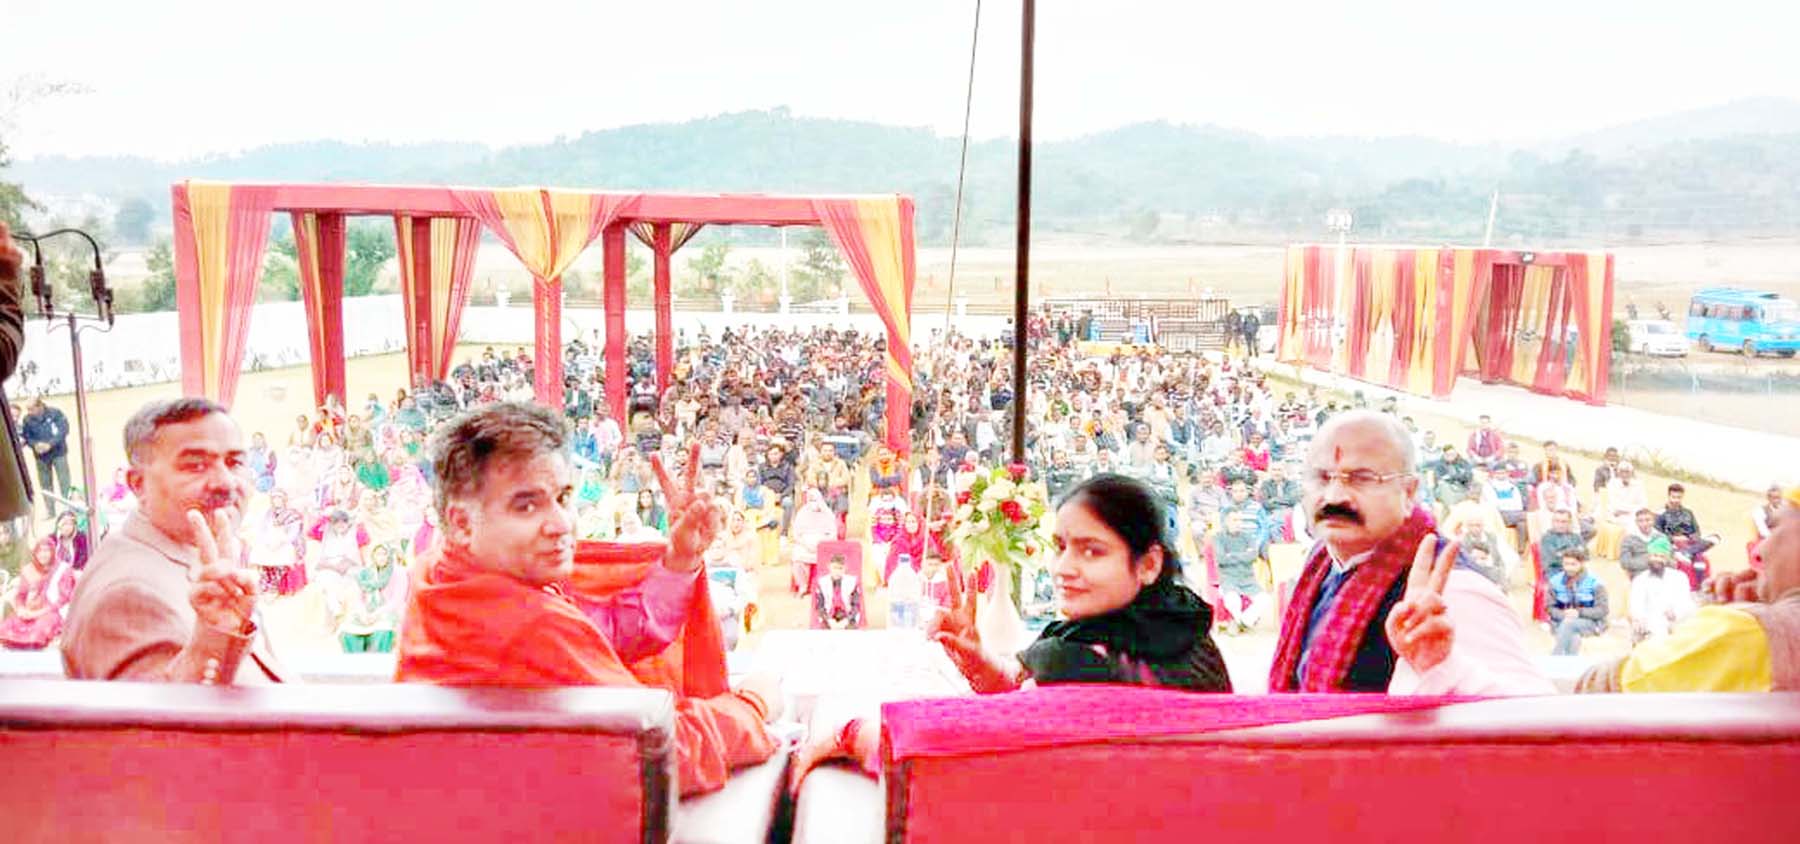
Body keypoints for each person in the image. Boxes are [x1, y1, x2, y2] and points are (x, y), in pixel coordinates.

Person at [393, 403, 780, 796]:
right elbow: (664, 748)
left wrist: (680, 560)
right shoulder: (528, 624)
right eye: (526, 505)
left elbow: (602, 632)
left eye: (562, 498)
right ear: (461, 524)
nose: (561, 524)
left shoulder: (435, 575)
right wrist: (752, 706)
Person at [1268, 411, 1551, 695]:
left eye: (1362, 478)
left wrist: (1443, 667)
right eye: (1321, 477)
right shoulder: (1324, 561)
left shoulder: (1452, 590)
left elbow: (1533, 717)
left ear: (1409, 491)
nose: (1333, 497)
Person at [62, 398, 291, 683]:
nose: (225, 482)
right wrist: (214, 637)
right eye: (195, 465)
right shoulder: (127, 595)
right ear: (138, 484)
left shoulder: (188, 553)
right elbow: (159, 722)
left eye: (234, 462)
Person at [1577, 486, 1799, 693]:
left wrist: (1723, 619)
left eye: (1774, 529)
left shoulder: (1748, 633)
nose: (1760, 551)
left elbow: (1598, 688)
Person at [0, 538, 77, 649]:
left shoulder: (63, 570)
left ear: (53, 552)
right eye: (40, 551)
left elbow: (62, 600)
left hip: (51, 612)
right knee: (6, 627)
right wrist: (21, 609)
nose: (43, 554)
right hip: (29, 611)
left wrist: (37, 613)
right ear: (35, 553)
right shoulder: (28, 570)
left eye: (47, 551)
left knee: (39, 630)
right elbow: (20, 595)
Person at [1629, 538, 1695, 643]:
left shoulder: (1679, 577)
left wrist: (1676, 613)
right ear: (1649, 557)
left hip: (1676, 622)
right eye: (1655, 555)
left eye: (1662, 556)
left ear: (1667, 559)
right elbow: (1636, 605)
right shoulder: (1640, 580)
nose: (1658, 559)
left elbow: (1686, 602)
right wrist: (1639, 619)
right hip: (1650, 625)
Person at [1547, 548, 1608, 656]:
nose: (1569, 568)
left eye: (1573, 564)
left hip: (1590, 622)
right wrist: (1563, 615)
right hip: (1561, 621)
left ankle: (1555, 658)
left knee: (1568, 625)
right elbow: (1549, 607)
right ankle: (1569, 666)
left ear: (1582, 564)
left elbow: (1603, 610)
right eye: (1566, 564)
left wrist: (1579, 613)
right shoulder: (1555, 581)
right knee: (1573, 637)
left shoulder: (1595, 583)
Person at [1655, 483, 1713, 589]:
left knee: (1713, 539)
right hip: (1671, 545)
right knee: (1694, 557)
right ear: (1668, 496)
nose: (1676, 500)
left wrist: (1689, 538)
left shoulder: (1688, 513)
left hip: (1690, 544)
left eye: (1679, 497)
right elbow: (1657, 534)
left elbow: (1696, 531)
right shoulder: (1661, 514)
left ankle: (1699, 583)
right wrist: (1674, 539)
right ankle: (1688, 554)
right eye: (1674, 497)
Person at [22, 397, 71, 519]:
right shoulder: (27, 420)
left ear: (40, 406)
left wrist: (50, 444)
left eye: (31, 409)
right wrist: (35, 445)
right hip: (41, 457)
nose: (29, 412)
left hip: (58, 453)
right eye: (27, 409)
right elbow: (26, 436)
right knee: (45, 484)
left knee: (64, 482)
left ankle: (68, 509)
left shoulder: (55, 413)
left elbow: (64, 430)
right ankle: (50, 511)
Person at [811, 553, 864, 629]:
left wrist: (846, 620)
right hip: (828, 614)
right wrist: (829, 620)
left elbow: (856, 605)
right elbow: (819, 606)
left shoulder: (852, 582)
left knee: (852, 630)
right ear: (829, 567)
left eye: (840, 568)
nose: (837, 571)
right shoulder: (822, 582)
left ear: (845, 568)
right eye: (834, 568)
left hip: (847, 614)